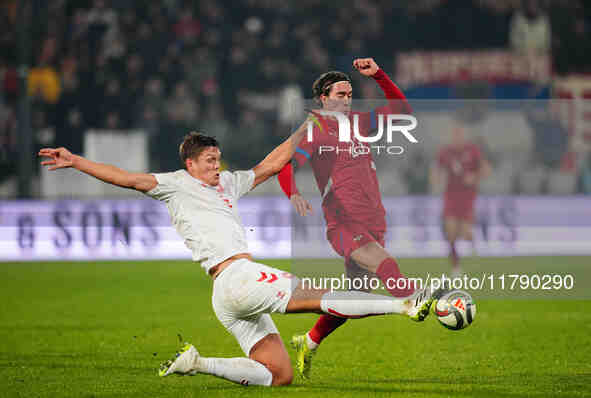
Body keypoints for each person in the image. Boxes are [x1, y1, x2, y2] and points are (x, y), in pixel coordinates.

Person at [38, 129, 438, 387]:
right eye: (209, 161)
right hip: (237, 277)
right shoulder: (172, 185)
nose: (216, 165)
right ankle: (405, 305)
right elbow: (124, 177)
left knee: (279, 374)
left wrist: (305, 129)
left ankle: (197, 363)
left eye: (218, 158)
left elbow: (271, 164)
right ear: (189, 164)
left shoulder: (228, 183)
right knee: (320, 294)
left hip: (226, 294)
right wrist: (75, 161)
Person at [276, 58, 418, 378]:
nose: (346, 99)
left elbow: (403, 112)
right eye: (340, 94)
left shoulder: (359, 121)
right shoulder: (314, 131)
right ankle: (420, 302)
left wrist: (379, 75)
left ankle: (309, 340)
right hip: (343, 222)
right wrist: (294, 193)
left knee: (357, 296)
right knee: (385, 264)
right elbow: (286, 165)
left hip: (373, 218)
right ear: (323, 99)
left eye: (350, 93)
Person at [430, 124, 491, 276]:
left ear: (464, 136)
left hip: (467, 195)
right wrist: (436, 179)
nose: (457, 138)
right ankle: (456, 267)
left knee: (464, 232)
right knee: (450, 231)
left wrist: (474, 177)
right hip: (451, 194)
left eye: (460, 134)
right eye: (454, 135)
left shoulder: (472, 151)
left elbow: (486, 170)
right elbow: (435, 170)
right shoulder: (445, 152)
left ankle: (473, 241)